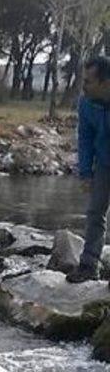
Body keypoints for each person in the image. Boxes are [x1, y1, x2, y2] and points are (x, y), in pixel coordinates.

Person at [67, 55, 110, 283]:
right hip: (104, 163)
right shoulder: (85, 103)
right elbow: (85, 137)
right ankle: (88, 266)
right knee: (95, 213)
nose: (83, 86)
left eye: (88, 81)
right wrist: (85, 173)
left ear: (105, 83)